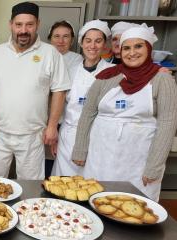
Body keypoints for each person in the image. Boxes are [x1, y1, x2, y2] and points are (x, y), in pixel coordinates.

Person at [72, 24, 177, 201]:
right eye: (126, 48)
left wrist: (154, 167)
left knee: (134, 206)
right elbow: (88, 113)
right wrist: (80, 150)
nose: (132, 53)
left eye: (138, 46)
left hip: (138, 159)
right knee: (97, 200)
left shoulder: (162, 79)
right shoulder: (106, 76)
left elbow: (167, 125)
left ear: (149, 49)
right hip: (100, 154)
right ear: (120, 51)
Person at [0, 2, 70, 180]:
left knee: (31, 185)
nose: (23, 30)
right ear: (10, 25)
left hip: (33, 134)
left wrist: (52, 126)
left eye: (29, 24)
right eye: (18, 24)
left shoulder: (50, 53)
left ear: (38, 24)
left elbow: (59, 91)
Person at [51, 19, 114, 176]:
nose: (92, 46)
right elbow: (61, 104)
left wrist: (158, 71)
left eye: (98, 41)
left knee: (91, 183)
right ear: (81, 43)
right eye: (88, 41)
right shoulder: (70, 70)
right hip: (68, 136)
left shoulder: (114, 72)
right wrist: (56, 132)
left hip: (97, 137)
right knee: (63, 184)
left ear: (104, 45)